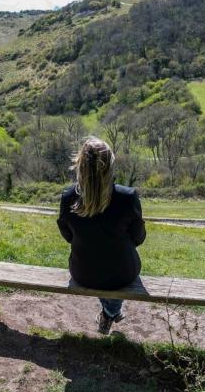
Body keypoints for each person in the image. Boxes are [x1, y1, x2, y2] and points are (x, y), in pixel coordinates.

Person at [57, 137, 146, 334]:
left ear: (80, 165)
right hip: (124, 272)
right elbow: (139, 238)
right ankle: (110, 312)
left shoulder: (68, 197)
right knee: (115, 269)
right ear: (110, 167)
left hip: (83, 271)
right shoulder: (128, 197)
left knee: (103, 268)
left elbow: (67, 235)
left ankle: (111, 311)